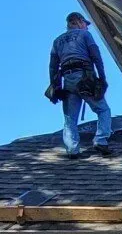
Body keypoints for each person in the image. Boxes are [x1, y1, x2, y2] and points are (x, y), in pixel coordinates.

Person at [46, 11, 114, 158]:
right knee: (103, 110)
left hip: (68, 79)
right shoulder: (85, 36)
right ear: (77, 22)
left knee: (70, 118)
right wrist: (102, 78)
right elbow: (96, 56)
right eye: (85, 24)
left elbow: (52, 66)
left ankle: (72, 148)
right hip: (84, 77)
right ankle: (101, 140)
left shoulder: (57, 41)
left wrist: (55, 85)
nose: (86, 27)